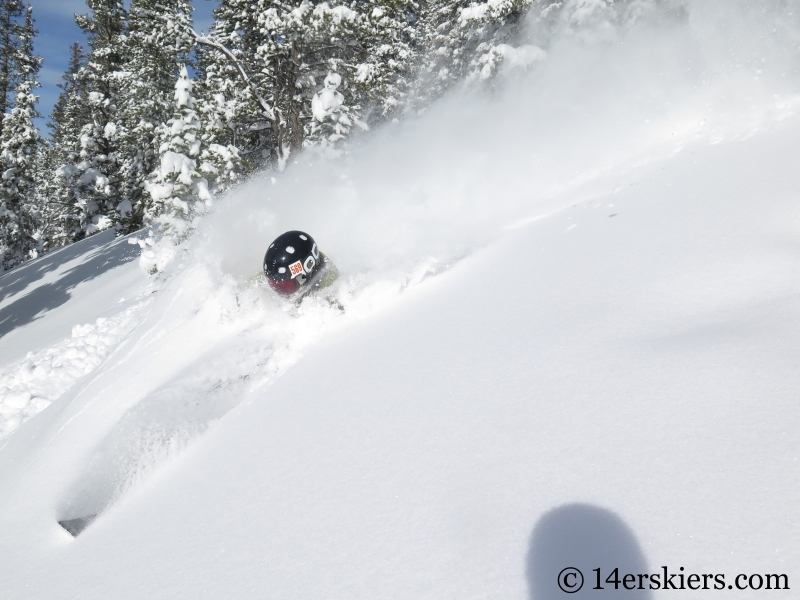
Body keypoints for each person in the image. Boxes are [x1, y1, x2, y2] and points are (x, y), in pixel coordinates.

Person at [263, 231, 338, 297]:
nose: (278, 293)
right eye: (272, 284)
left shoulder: (330, 297)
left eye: (286, 287)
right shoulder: (277, 275)